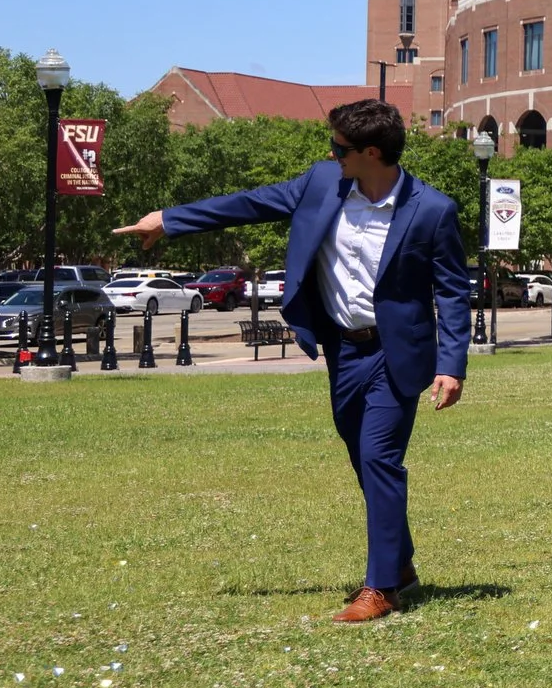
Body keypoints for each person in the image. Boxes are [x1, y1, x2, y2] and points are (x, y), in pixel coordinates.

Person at [114, 100, 470, 624]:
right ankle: (402, 565)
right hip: (342, 350)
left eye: (341, 147)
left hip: (397, 353)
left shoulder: (432, 209)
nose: (331, 153)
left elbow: (454, 292)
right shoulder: (323, 182)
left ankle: (381, 588)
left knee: (379, 459)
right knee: (364, 460)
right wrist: (170, 221)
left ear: (371, 152)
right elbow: (252, 204)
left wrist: (452, 363)